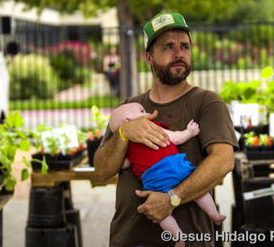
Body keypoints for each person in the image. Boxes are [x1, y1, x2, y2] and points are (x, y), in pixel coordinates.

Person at [94, 12, 238, 247]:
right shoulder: (128, 109)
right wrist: (124, 134)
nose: (179, 53)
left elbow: (223, 161)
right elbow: (101, 171)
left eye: (185, 46)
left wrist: (172, 198)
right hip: (128, 240)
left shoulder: (206, 102)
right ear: (149, 58)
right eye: (169, 47)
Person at [108, 102, 226, 247]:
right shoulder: (155, 129)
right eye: (142, 111)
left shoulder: (127, 147)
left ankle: (178, 237)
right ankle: (213, 213)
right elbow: (176, 138)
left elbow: (124, 164)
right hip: (176, 168)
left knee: (163, 215)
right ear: (127, 121)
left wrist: (123, 146)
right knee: (198, 193)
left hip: (154, 180)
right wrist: (189, 132)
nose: (147, 113)